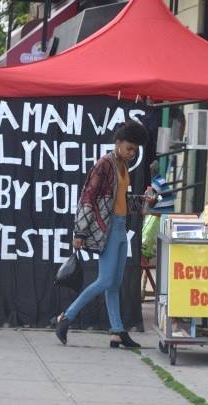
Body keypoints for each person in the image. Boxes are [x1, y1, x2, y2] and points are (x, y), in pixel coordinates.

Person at [54, 121, 156, 348]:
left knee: (114, 283)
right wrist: (79, 231)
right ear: (117, 143)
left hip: (120, 227)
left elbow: (119, 202)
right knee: (107, 280)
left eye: (135, 150)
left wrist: (144, 200)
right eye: (129, 148)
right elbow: (88, 197)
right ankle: (66, 316)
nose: (132, 153)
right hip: (107, 229)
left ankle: (117, 331)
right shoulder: (104, 165)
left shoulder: (121, 167)